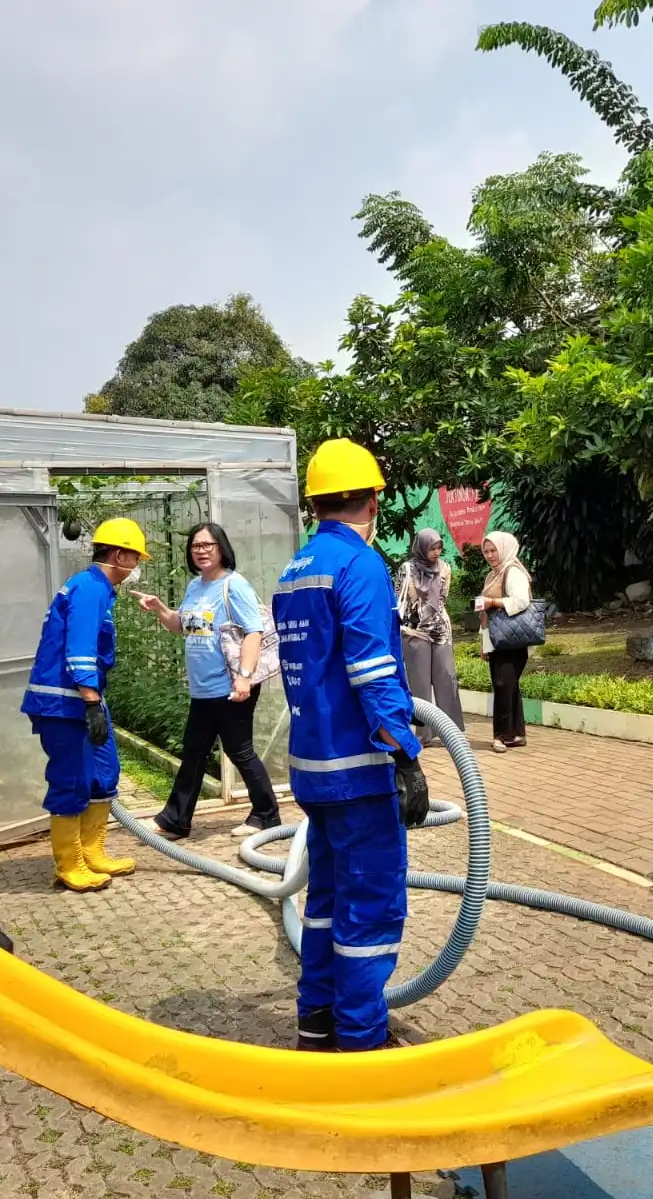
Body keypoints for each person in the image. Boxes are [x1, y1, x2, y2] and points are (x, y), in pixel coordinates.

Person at [275, 438, 430, 1052]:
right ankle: (361, 1041)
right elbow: (371, 670)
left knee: (326, 900)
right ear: (371, 500)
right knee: (370, 906)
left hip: (313, 769)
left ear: (315, 503)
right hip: (360, 771)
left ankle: (316, 1021)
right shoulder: (359, 566)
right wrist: (404, 755)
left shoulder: (296, 570)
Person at [21, 518, 147, 893]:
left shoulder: (98, 589)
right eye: (135, 559)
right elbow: (79, 648)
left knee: (104, 774)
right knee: (71, 778)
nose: (136, 568)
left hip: (86, 700)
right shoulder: (90, 589)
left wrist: (94, 702)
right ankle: (69, 863)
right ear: (120, 554)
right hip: (66, 703)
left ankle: (93, 851)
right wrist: (91, 701)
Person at [135, 522, 282, 839]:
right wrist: (160, 609)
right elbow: (183, 626)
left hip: (230, 686)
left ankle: (267, 814)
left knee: (239, 750)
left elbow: (253, 632)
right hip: (203, 688)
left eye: (207, 545)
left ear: (221, 548)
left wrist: (244, 679)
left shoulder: (234, 586)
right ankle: (175, 820)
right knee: (194, 750)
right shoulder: (194, 587)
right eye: (195, 546)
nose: (200, 551)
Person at [396, 528, 465, 747]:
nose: (436, 552)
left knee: (447, 678)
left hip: (440, 630)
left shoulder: (445, 568)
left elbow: (442, 599)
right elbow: (398, 598)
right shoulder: (406, 569)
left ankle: (450, 732)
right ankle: (423, 734)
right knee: (420, 683)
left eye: (438, 548)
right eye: (431, 547)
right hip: (414, 631)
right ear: (421, 547)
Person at [480, 531, 534, 753]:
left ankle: (501, 735)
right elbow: (484, 613)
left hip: (512, 640)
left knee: (503, 685)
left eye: (494, 550)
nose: (490, 555)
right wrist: (484, 643)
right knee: (508, 686)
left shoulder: (513, 572)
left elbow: (521, 601)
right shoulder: (493, 574)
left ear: (504, 549)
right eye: (486, 551)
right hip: (498, 639)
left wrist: (492, 601)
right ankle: (517, 733)